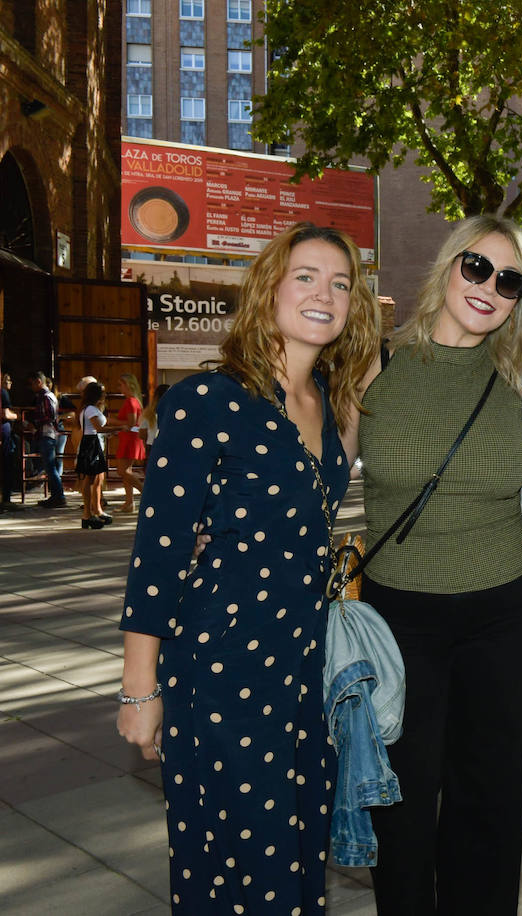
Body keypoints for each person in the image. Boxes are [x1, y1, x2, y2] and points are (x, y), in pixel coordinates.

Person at [115, 222, 381, 914]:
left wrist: (367, 369)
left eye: (341, 283)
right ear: (268, 290)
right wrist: (139, 690)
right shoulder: (208, 402)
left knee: (295, 859)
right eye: (307, 277)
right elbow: (158, 554)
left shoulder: (321, 398)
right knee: (239, 870)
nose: (325, 293)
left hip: (301, 668)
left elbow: (325, 479)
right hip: (222, 665)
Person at [352, 214, 522, 913]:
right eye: (477, 267)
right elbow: (307, 456)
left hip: (503, 615)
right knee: (400, 804)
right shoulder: (373, 362)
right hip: (397, 618)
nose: (488, 287)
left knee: (489, 803)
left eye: (508, 280)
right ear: (447, 267)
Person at [74, 381, 112, 529]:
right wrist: (121, 427)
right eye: (102, 392)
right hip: (90, 443)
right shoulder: (90, 409)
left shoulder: (92, 408)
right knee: (89, 479)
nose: (105, 395)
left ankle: (94, 512)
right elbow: (98, 427)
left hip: (93, 442)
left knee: (95, 479)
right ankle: (87, 514)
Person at [25, 371, 65, 508]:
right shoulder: (46, 396)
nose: (31, 387)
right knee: (49, 467)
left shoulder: (46, 397)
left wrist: (35, 423)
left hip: (47, 434)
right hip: (47, 434)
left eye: (32, 383)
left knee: (50, 467)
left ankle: (58, 496)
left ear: (38, 382)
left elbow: (50, 416)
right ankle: (57, 496)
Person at [111, 372, 147, 512]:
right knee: (127, 471)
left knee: (122, 471)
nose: (119, 388)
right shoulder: (134, 401)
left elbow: (131, 423)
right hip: (130, 438)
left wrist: (112, 421)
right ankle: (129, 503)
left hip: (130, 438)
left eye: (121, 385)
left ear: (128, 385)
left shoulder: (131, 401)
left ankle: (145, 493)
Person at [1, 369, 16, 508]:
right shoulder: (3, 393)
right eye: (8, 380)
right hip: (4, 431)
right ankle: (6, 498)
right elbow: (5, 414)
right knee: (6, 463)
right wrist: (16, 416)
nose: (10, 383)